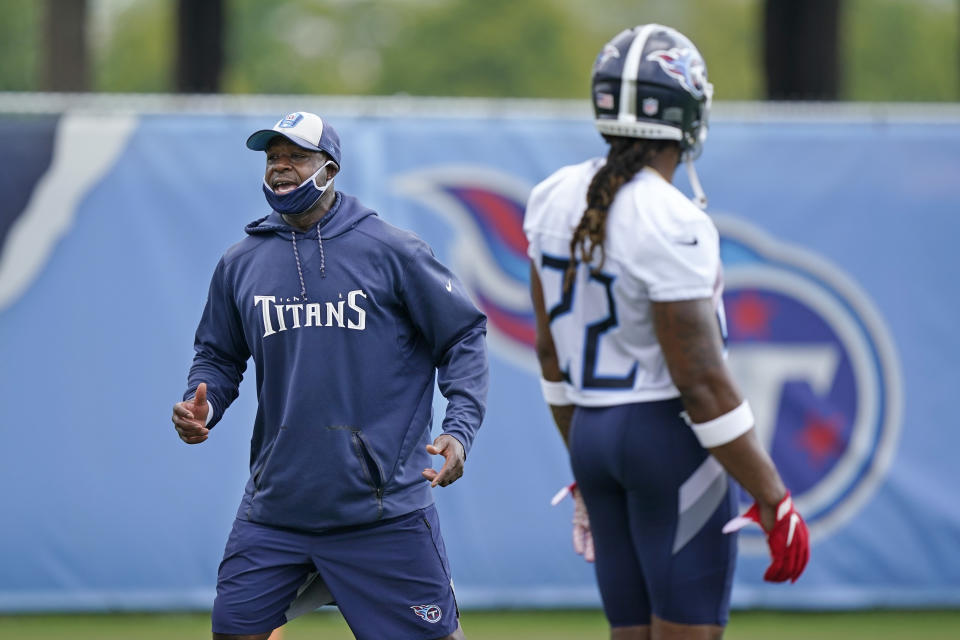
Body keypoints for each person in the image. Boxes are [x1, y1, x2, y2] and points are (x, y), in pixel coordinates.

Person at [524, 25, 809, 640]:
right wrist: (774, 497)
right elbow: (701, 380)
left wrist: (581, 458)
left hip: (593, 435)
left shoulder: (551, 196)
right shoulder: (670, 216)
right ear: (688, 112)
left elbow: (550, 352)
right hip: (664, 439)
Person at [171, 111, 488, 640]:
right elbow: (218, 357)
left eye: (296, 156)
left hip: (381, 513)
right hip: (279, 509)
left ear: (331, 167)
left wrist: (459, 430)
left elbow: (463, 337)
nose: (281, 168)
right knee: (234, 629)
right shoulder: (241, 262)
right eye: (273, 158)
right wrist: (201, 403)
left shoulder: (393, 251)